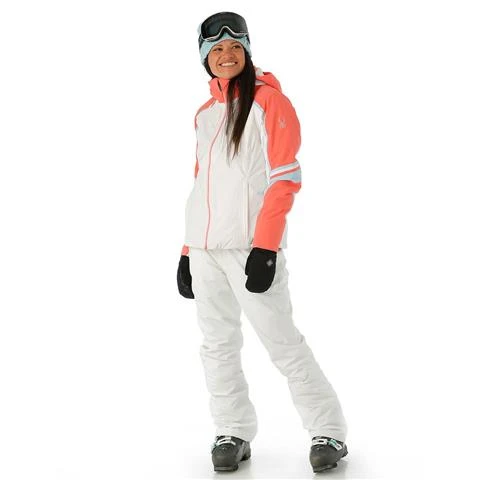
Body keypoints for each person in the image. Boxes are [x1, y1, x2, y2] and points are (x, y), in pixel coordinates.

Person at [176, 11, 348, 473]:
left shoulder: (270, 102)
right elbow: (200, 182)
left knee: (281, 341)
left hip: (251, 247)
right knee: (217, 345)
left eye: (235, 46)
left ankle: (328, 429)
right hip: (206, 251)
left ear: (247, 51)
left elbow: (285, 177)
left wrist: (266, 247)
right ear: (205, 58)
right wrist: (187, 251)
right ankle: (232, 429)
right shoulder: (205, 114)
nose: (226, 55)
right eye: (216, 49)